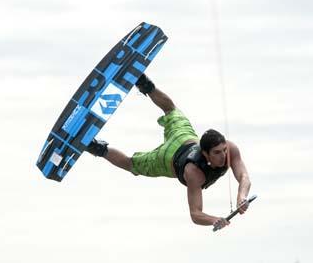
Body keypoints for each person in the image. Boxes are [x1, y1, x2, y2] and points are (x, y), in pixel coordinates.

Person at [86, 74, 252, 230]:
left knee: (171, 109)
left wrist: (241, 197)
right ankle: (99, 148)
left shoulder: (230, 150)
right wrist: (213, 220)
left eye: (223, 150)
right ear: (205, 153)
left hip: (184, 136)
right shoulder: (194, 173)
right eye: (217, 152)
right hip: (166, 158)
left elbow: (244, 177)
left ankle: (96, 146)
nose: (223, 156)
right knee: (132, 164)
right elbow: (195, 213)